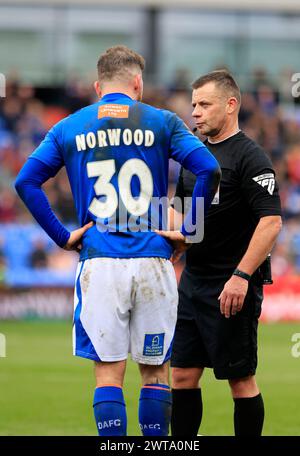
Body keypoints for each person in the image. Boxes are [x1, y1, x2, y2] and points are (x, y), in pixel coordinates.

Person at [15, 46, 221, 436]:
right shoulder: (163, 121)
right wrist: (190, 230)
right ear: (138, 83)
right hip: (153, 260)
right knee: (156, 371)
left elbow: (25, 182)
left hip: (100, 261)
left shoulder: (69, 126)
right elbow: (208, 167)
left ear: (97, 86)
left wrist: (63, 236)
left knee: (109, 373)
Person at [156, 70, 282, 436]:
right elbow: (183, 217)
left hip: (232, 285)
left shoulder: (251, 157)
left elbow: (271, 223)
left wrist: (241, 278)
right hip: (194, 282)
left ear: (230, 106)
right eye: (194, 104)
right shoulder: (194, 156)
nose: (195, 112)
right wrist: (170, 235)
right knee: (181, 375)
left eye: (204, 104)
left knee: (240, 380)